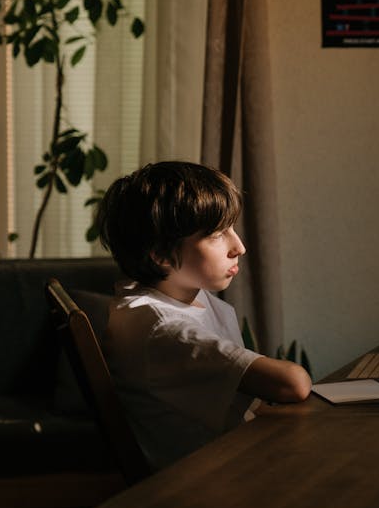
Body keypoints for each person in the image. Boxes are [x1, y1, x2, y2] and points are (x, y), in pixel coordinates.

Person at [95, 160, 312, 469]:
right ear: (159, 254)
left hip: (230, 458)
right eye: (216, 234)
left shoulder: (178, 295)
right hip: (206, 480)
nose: (239, 247)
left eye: (232, 229)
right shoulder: (163, 330)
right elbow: (293, 382)